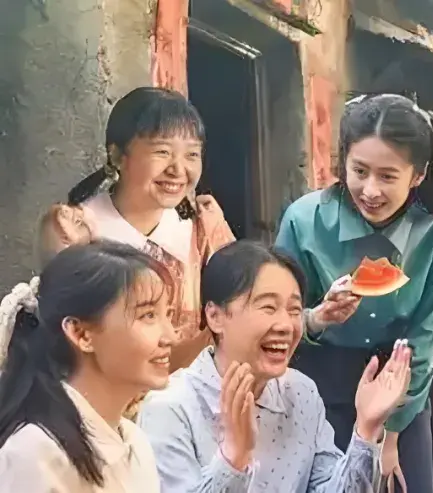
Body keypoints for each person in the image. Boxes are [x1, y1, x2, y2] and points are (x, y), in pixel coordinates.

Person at [276, 94, 433, 493]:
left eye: (388, 176)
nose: (371, 190)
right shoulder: (303, 220)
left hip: (401, 394)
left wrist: (389, 436)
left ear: (418, 175)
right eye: (359, 171)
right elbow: (275, 318)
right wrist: (317, 318)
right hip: (316, 390)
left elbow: (423, 342)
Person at [137, 241, 410, 492]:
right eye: (268, 307)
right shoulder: (170, 408)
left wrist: (366, 430)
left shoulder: (301, 392)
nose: (285, 325)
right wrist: (234, 458)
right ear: (215, 316)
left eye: (294, 310)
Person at [42, 87, 236, 372]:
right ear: (117, 155)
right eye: (162, 152)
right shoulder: (76, 231)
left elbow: (238, 303)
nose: (178, 169)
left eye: (191, 154)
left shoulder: (203, 225)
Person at [0, 241, 177, 491]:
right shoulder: (34, 453)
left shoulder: (135, 441)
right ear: (81, 334)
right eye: (148, 315)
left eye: (167, 314)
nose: (171, 337)